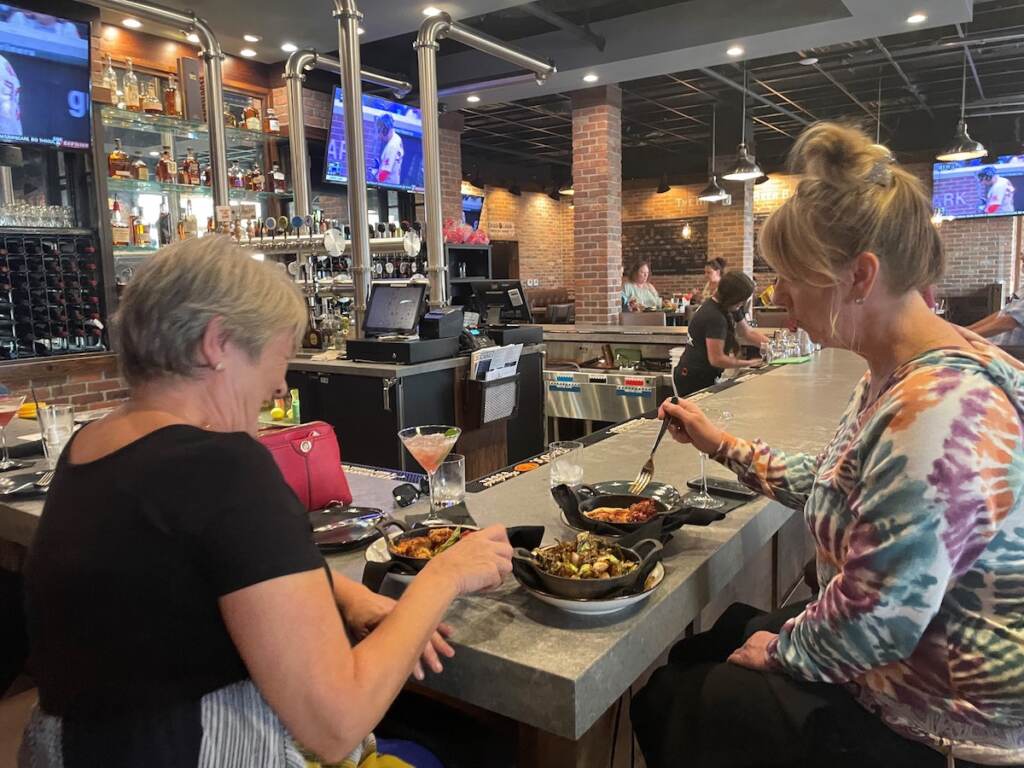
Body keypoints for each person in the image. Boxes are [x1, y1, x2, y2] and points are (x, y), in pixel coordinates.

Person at [19, 236, 514, 766]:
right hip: (185, 749)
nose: (280, 384)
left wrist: (347, 597)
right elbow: (334, 722)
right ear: (218, 343)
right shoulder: (221, 466)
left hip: (67, 749)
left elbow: (199, 575)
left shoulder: (90, 445)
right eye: (280, 356)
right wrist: (444, 576)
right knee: (482, 747)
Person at [634, 123, 1024, 767]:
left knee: (680, 691)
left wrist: (784, 650)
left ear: (860, 275)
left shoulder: (938, 410)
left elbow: (879, 619)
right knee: (721, 636)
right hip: (900, 665)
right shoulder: (899, 371)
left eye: (791, 275)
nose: (777, 295)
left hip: (939, 725)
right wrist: (723, 444)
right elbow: (836, 483)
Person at [673, 271, 766, 396]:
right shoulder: (714, 317)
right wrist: (749, 363)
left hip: (706, 374)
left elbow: (747, 332)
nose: (743, 304)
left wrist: (772, 346)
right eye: (742, 300)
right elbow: (716, 359)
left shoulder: (730, 306)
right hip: (693, 377)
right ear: (733, 297)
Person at [375, 113, 404, 185]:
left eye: (379, 130)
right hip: (393, 184)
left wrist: (375, 179)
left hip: (387, 187)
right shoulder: (397, 138)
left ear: (385, 130)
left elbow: (385, 173)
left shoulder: (392, 146)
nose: (379, 135)